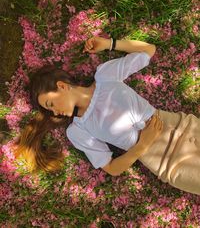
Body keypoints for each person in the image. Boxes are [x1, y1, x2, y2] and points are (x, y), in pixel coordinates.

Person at [14, 36, 200, 195]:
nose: (54, 112)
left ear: (61, 86)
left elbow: (148, 50)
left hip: (184, 128)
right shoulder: (78, 131)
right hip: (170, 165)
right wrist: (142, 145)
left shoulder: (105, 75)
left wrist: (109, 43)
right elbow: (112, 168)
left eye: (50, 104)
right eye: (50, 111)